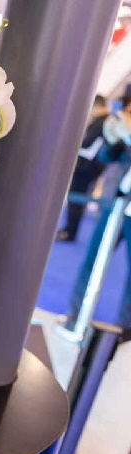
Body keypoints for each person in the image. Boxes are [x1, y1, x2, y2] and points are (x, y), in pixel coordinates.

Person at [65, 95, 131, 338]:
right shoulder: (123, 122)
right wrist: (114, 139)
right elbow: (106, 157)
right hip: (115, 203)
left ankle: (125, 331)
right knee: (92, 262)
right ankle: (75, 318)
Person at [56, 95, 111, 242]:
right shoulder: (104, 121)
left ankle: (70, 232)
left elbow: (86, 142)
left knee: (76, 199)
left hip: (86, 168)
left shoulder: (101, 121)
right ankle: (69, 230)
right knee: (77, 199)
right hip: (91, 167)